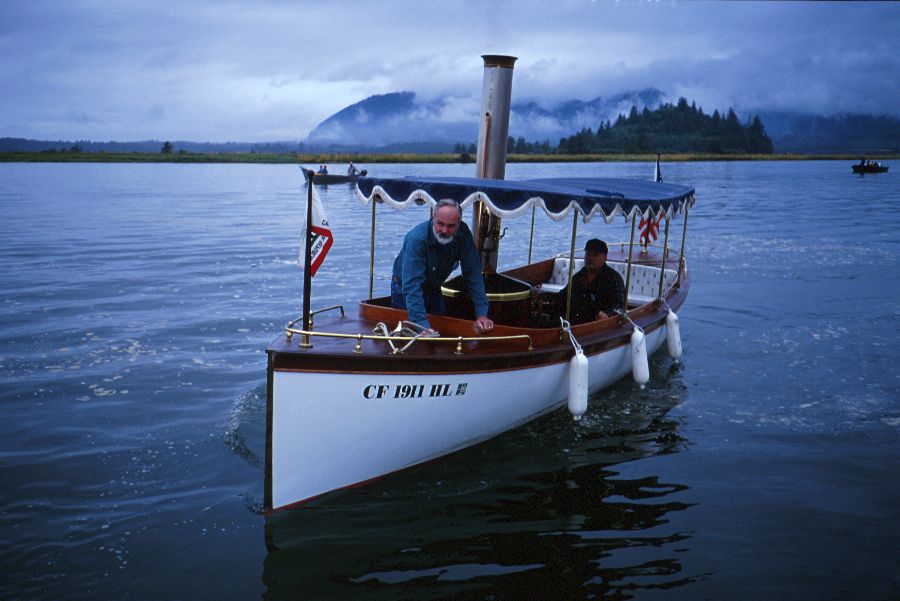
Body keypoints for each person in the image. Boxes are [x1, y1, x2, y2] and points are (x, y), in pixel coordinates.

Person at [391, 198, 494, 335]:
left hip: (433, 288)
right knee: (412, 336)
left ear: (459, 224)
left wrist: (482, 313)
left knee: (440, 332)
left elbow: (473, 273)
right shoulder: (416, 239)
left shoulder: (463, 234)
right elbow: (412, 286)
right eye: (440, 224)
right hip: (405, 289)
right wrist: (422, 326)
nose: (445, 230)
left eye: (451, 226)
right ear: (433, 218)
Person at [557, 238, 625, 325]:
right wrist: (543, 297)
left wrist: (607, 314)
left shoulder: (613, 279)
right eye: (588, 254)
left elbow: (619, 304)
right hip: (574, 323)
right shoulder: (579, 277)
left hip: (598, 326)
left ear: (605, 257)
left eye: (595, 255)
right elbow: (563, 295)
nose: (590, 258)